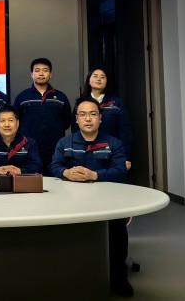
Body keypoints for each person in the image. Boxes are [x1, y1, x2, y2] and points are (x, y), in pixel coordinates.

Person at [51, 97, 132, 297]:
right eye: (83, 114)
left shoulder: (113, 143)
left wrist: (95, 175)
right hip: (72, 202)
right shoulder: (65, 143)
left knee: (116, 230)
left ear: (100, 118)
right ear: (76, 119)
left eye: (93, 114)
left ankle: (118, 276)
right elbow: (54, 166)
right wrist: (65, 173)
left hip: (107, 201)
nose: (88, 119)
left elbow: (120, 170)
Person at [14, 58, 71, 173]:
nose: (41, 73)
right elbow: (16, 122)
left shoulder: (60, 97)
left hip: (54, 148)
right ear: (31, 74)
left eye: (45, 70)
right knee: (30, 179)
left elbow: (67, 122)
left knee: (55, 178)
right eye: (37, 70)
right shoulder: (22, 97)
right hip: (29, 148)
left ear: (50, 74)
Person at [75, 67, 133, 170]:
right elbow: (75, 129)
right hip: (86, 152)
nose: (99, 79)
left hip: (112, 151)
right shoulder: (81, 103)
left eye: (102, 77)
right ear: (88, 80)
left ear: (106, 82)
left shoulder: (116, 103)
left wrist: (126, 157)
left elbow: (125, 131)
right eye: (95, 76)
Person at [0, 105, 41, 176]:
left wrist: (20, 171)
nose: (7, 125)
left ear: (17, 123)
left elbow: (37, 165)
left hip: (21, 181)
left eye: (11, 120)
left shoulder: (29, 143)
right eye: (2, 121)